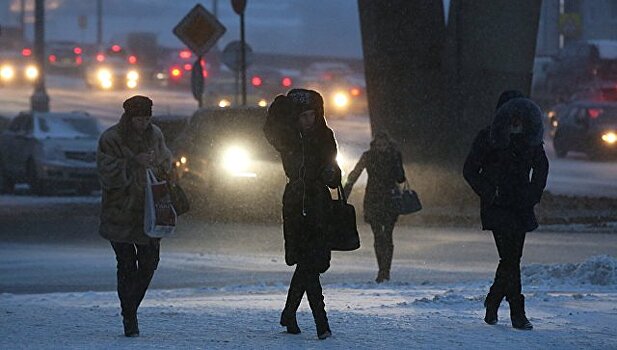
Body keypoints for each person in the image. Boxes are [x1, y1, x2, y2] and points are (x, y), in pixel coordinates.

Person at [463, 90, 549, 330]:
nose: (516, 118)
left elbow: (541, 167)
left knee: (511, 259)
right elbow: (470, 170)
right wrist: (491, 193)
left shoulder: (531, 138)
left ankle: (493, 301)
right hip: (498, 207)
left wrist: (532, 195)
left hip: (520, 206)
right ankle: (517, 312)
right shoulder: (488, 137)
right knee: (510, 258)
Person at [263, 89, 341, 340]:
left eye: (312, 115)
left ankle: (289, 312)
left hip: (319, 202)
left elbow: (334, 170)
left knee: (312, 263)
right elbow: (270, 128)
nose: (309, 120)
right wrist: (283, 105)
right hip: (297, 202)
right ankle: (322, 323)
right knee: (307, 261)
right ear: (295, 118)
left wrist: (332, 175)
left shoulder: (325, 135)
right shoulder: (288, 138)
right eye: (303, 116)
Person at [96, 95, 172, 337]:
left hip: (149, 210)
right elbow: (106, 172)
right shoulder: (111, 138)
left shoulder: (155, 134)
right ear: (129, 118)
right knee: (126, 264)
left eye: (147, 118)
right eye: (139, 119)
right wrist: (132, 162)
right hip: (120, 211)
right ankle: (130, 318)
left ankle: (129, 309)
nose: (143, 123)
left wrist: (158, 165)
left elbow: (166, 162)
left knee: (150, 263)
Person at [343, 132, 406, 283]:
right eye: (379, 145)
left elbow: (400, 178)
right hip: (379, 199)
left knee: (386, 235)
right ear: (375, 144)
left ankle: (385, 271)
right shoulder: (372, 156)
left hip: (385, 199)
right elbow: (355, 174)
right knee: (379, 235)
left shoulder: (383, 156)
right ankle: (383, 271)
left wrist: (345, 193)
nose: (381, 147)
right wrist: (344, 194)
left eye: (383, 145)